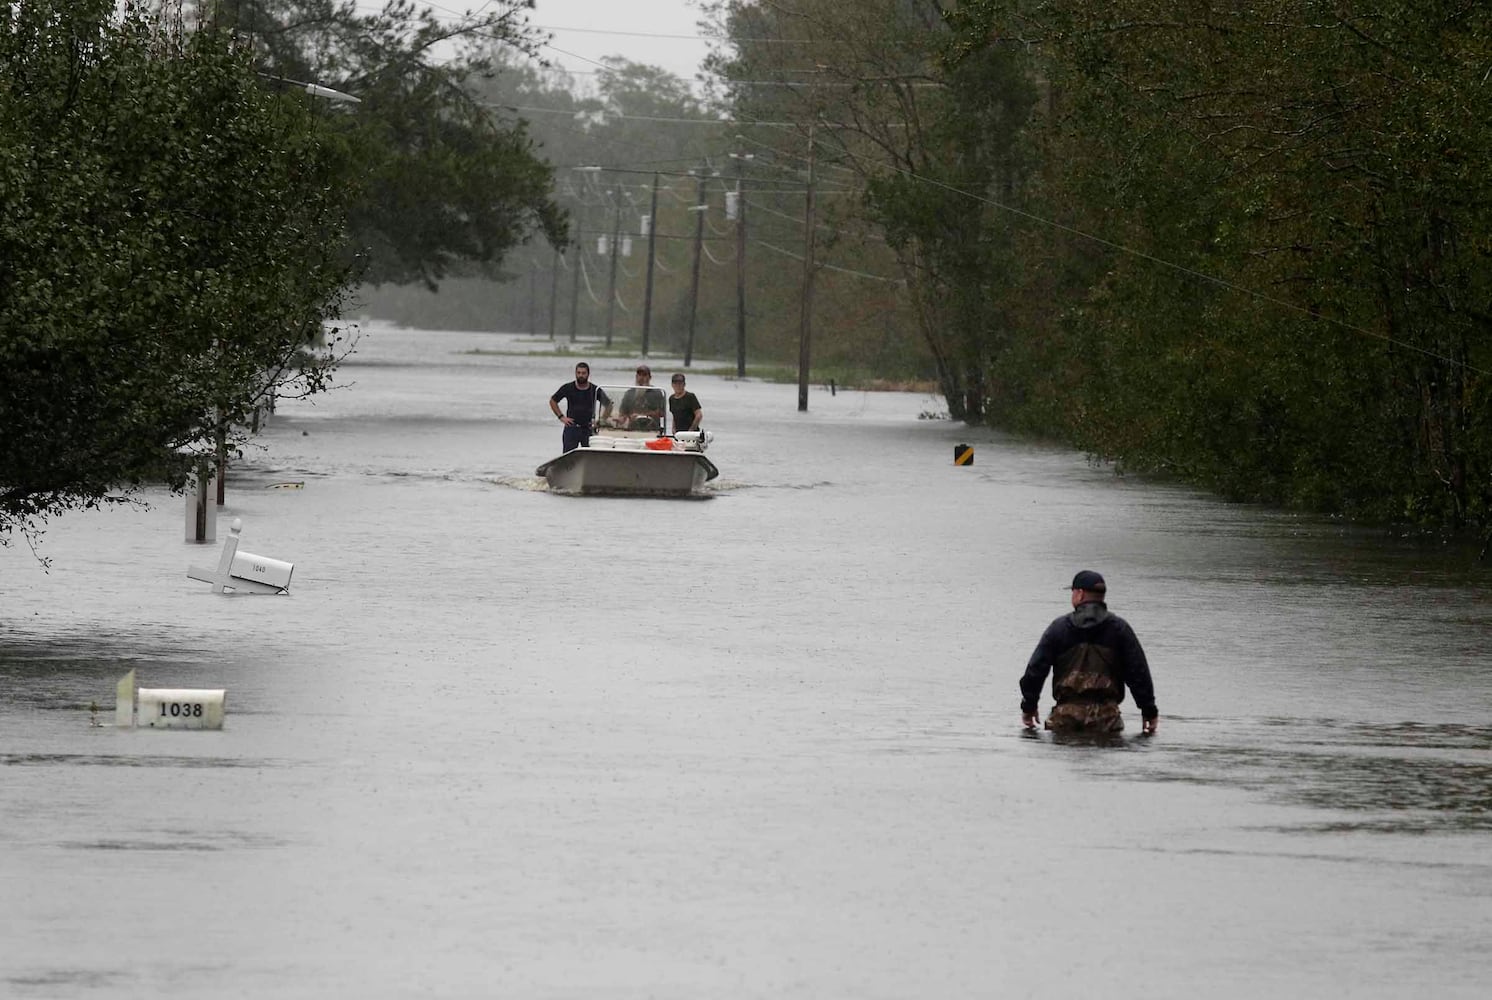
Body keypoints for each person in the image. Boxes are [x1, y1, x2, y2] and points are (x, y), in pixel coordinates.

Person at [1019, 570, 1159, 735]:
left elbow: (1036, 670)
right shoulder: (1119, 629)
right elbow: (1138, 673)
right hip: (1107, 720)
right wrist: (1148, 710)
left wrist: (1029, 706)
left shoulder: (1059, 628)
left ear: (1079, 594)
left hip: (1065, 718)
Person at [548, 362, 611, 452]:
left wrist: (601, 420)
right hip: (572, 427)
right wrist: (561, 417)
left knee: (590, 455)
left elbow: (608, 405)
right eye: (579, 373)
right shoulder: (568, 388)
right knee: (568, 457)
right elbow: (553, 401)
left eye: (583, 373)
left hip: (588, 428)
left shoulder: (594, 389)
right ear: (575, 373)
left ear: (588, 374)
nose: (581, 375)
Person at [617, 365, 665, 431]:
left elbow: (662, 413)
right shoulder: (629, 393)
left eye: (644, 375)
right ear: (636, 377)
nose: (641, 378)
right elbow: (623, 412)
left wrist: (642, 415)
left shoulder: (657, 392)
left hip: (652, 429)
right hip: (632, 429)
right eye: (639, 375)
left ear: (650, 377)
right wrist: (622, 418)